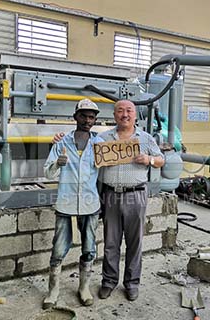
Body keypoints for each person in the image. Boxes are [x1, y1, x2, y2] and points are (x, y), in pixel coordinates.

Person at [53, 99, 165, 301]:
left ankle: (131, 283)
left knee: (134, 242)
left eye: (129, 111)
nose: (125, 114)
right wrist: (60, 139)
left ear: (134, 114)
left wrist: (149, 160)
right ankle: (109, 282)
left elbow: (161, 160)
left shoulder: (146, 138)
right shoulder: (102, 139)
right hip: (110, 194)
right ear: (114, 115)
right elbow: (79, 150)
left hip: (136, 194)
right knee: (111, 242)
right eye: (120, 111)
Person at [42, 99, 103, 309]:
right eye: (84, 115)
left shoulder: (99, 144)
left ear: (95, 120)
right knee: (58, 249)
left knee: (89, 248)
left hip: (90, 203)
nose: (88, 120)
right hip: (65, 202)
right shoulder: (62, 142)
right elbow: (47, 171)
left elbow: (108, 169)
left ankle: (83, 288)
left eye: (92, 117)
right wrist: (57, 164)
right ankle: (53, 290)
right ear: (75, 116)